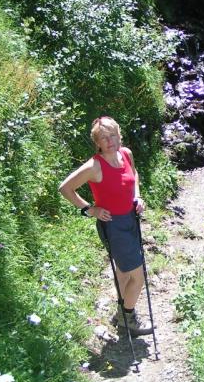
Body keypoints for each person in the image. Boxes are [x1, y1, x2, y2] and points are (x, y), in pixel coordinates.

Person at [59, 116, 153, 335]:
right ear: (97, 142)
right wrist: (89, 209)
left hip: (130, 218)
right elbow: (65, 188)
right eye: (103, 138)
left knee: (124, 271)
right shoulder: (94, 166)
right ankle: (127, 318)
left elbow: (134, 175)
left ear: (119, 135)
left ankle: (121, 311)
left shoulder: (126, 154)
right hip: (113, 226)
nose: (110, 141)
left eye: (112, 135)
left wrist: (137, 197)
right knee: (138, 276)